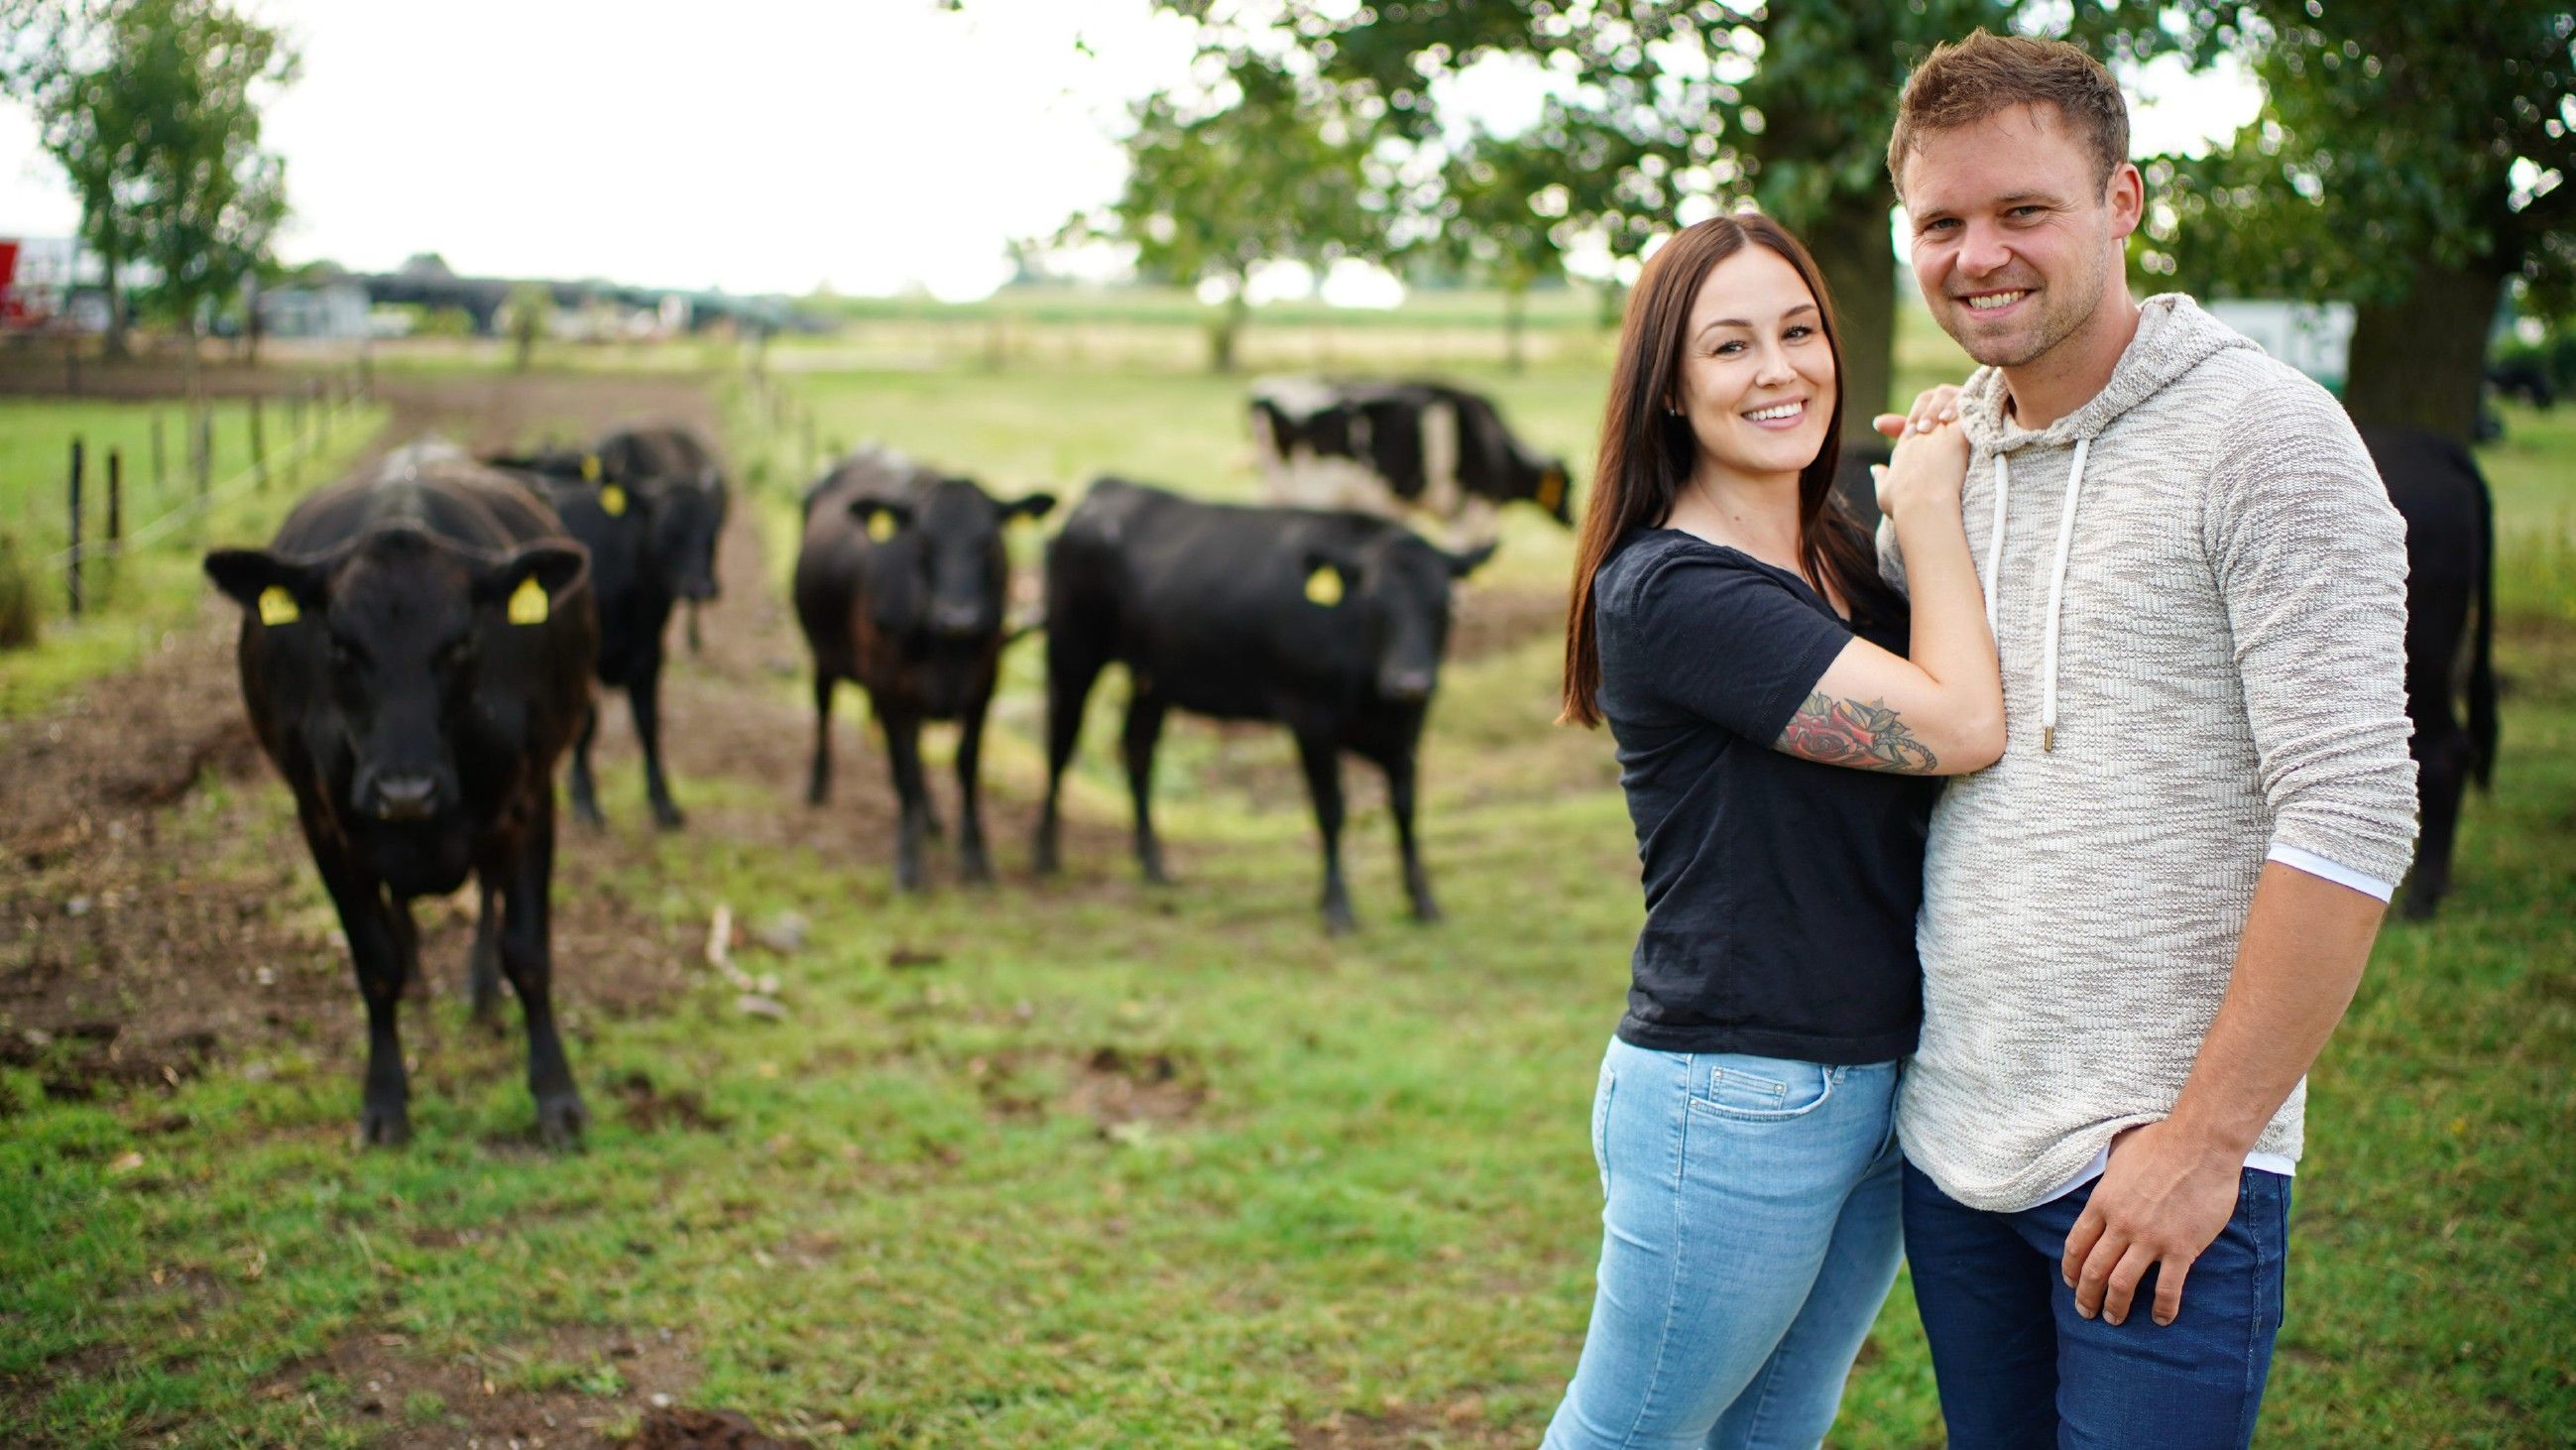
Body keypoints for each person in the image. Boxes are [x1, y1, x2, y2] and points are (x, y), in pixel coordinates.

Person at [1877, 31, 2419, 1448]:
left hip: (2150, 1172)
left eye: (2021, 211)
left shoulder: (2266, 439)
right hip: (1950, 1147)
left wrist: (2202, 1141)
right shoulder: (1943, 468)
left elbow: (2352, 811)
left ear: (2122, 201)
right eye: (1940, 221)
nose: (1975, 255)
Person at [1544, 211, 2002, 1449]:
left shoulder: (1837, 554)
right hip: (1736, 1094)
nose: (1780, 369)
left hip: (1879, 1079)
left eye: (1799, 331)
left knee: (1778, 1428)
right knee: (1630, 1433)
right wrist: (1938, 511)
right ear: (1673, 391)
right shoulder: (1674, 591)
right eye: (1731, 346)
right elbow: (1960, 723)